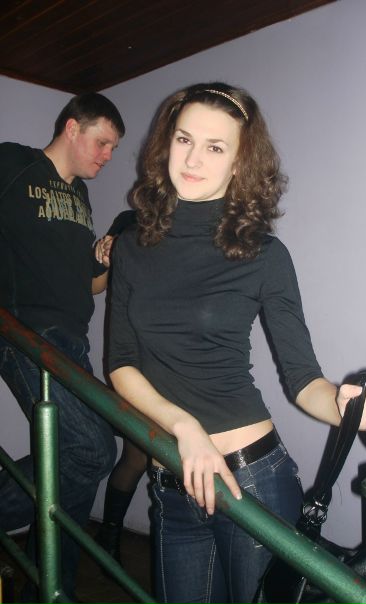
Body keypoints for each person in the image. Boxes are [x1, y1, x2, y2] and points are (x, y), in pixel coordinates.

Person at [106, 82, 366, 604]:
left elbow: (303, 381)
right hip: (171, 484)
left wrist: (352, 403)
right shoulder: (131, 247)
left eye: (215, 147)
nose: (193, 159)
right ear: (165, 145)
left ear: (239, 164)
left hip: (251, 483)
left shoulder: (264, 256)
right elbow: (120, 363)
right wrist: (184, 428)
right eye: (184, 139)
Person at [0, 92, 125, 603]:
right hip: (27, 333)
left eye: (113, 148)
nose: (108, 156)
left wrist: (104, 262)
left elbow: (89, 286)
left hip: (73, 344)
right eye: (103, 143)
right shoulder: (15, 163)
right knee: (93, 450)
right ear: (72, 128)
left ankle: (50, 590)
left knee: (84, 461)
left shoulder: (82, 197)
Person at [93, 210, 149, 564]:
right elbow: (98, 283)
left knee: (158, 458)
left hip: (177, 357)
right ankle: (108, 537)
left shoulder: (197, 220)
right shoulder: (130, 221)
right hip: (132, 356)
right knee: (138, 455)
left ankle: (108, 538)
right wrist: (101, 256)